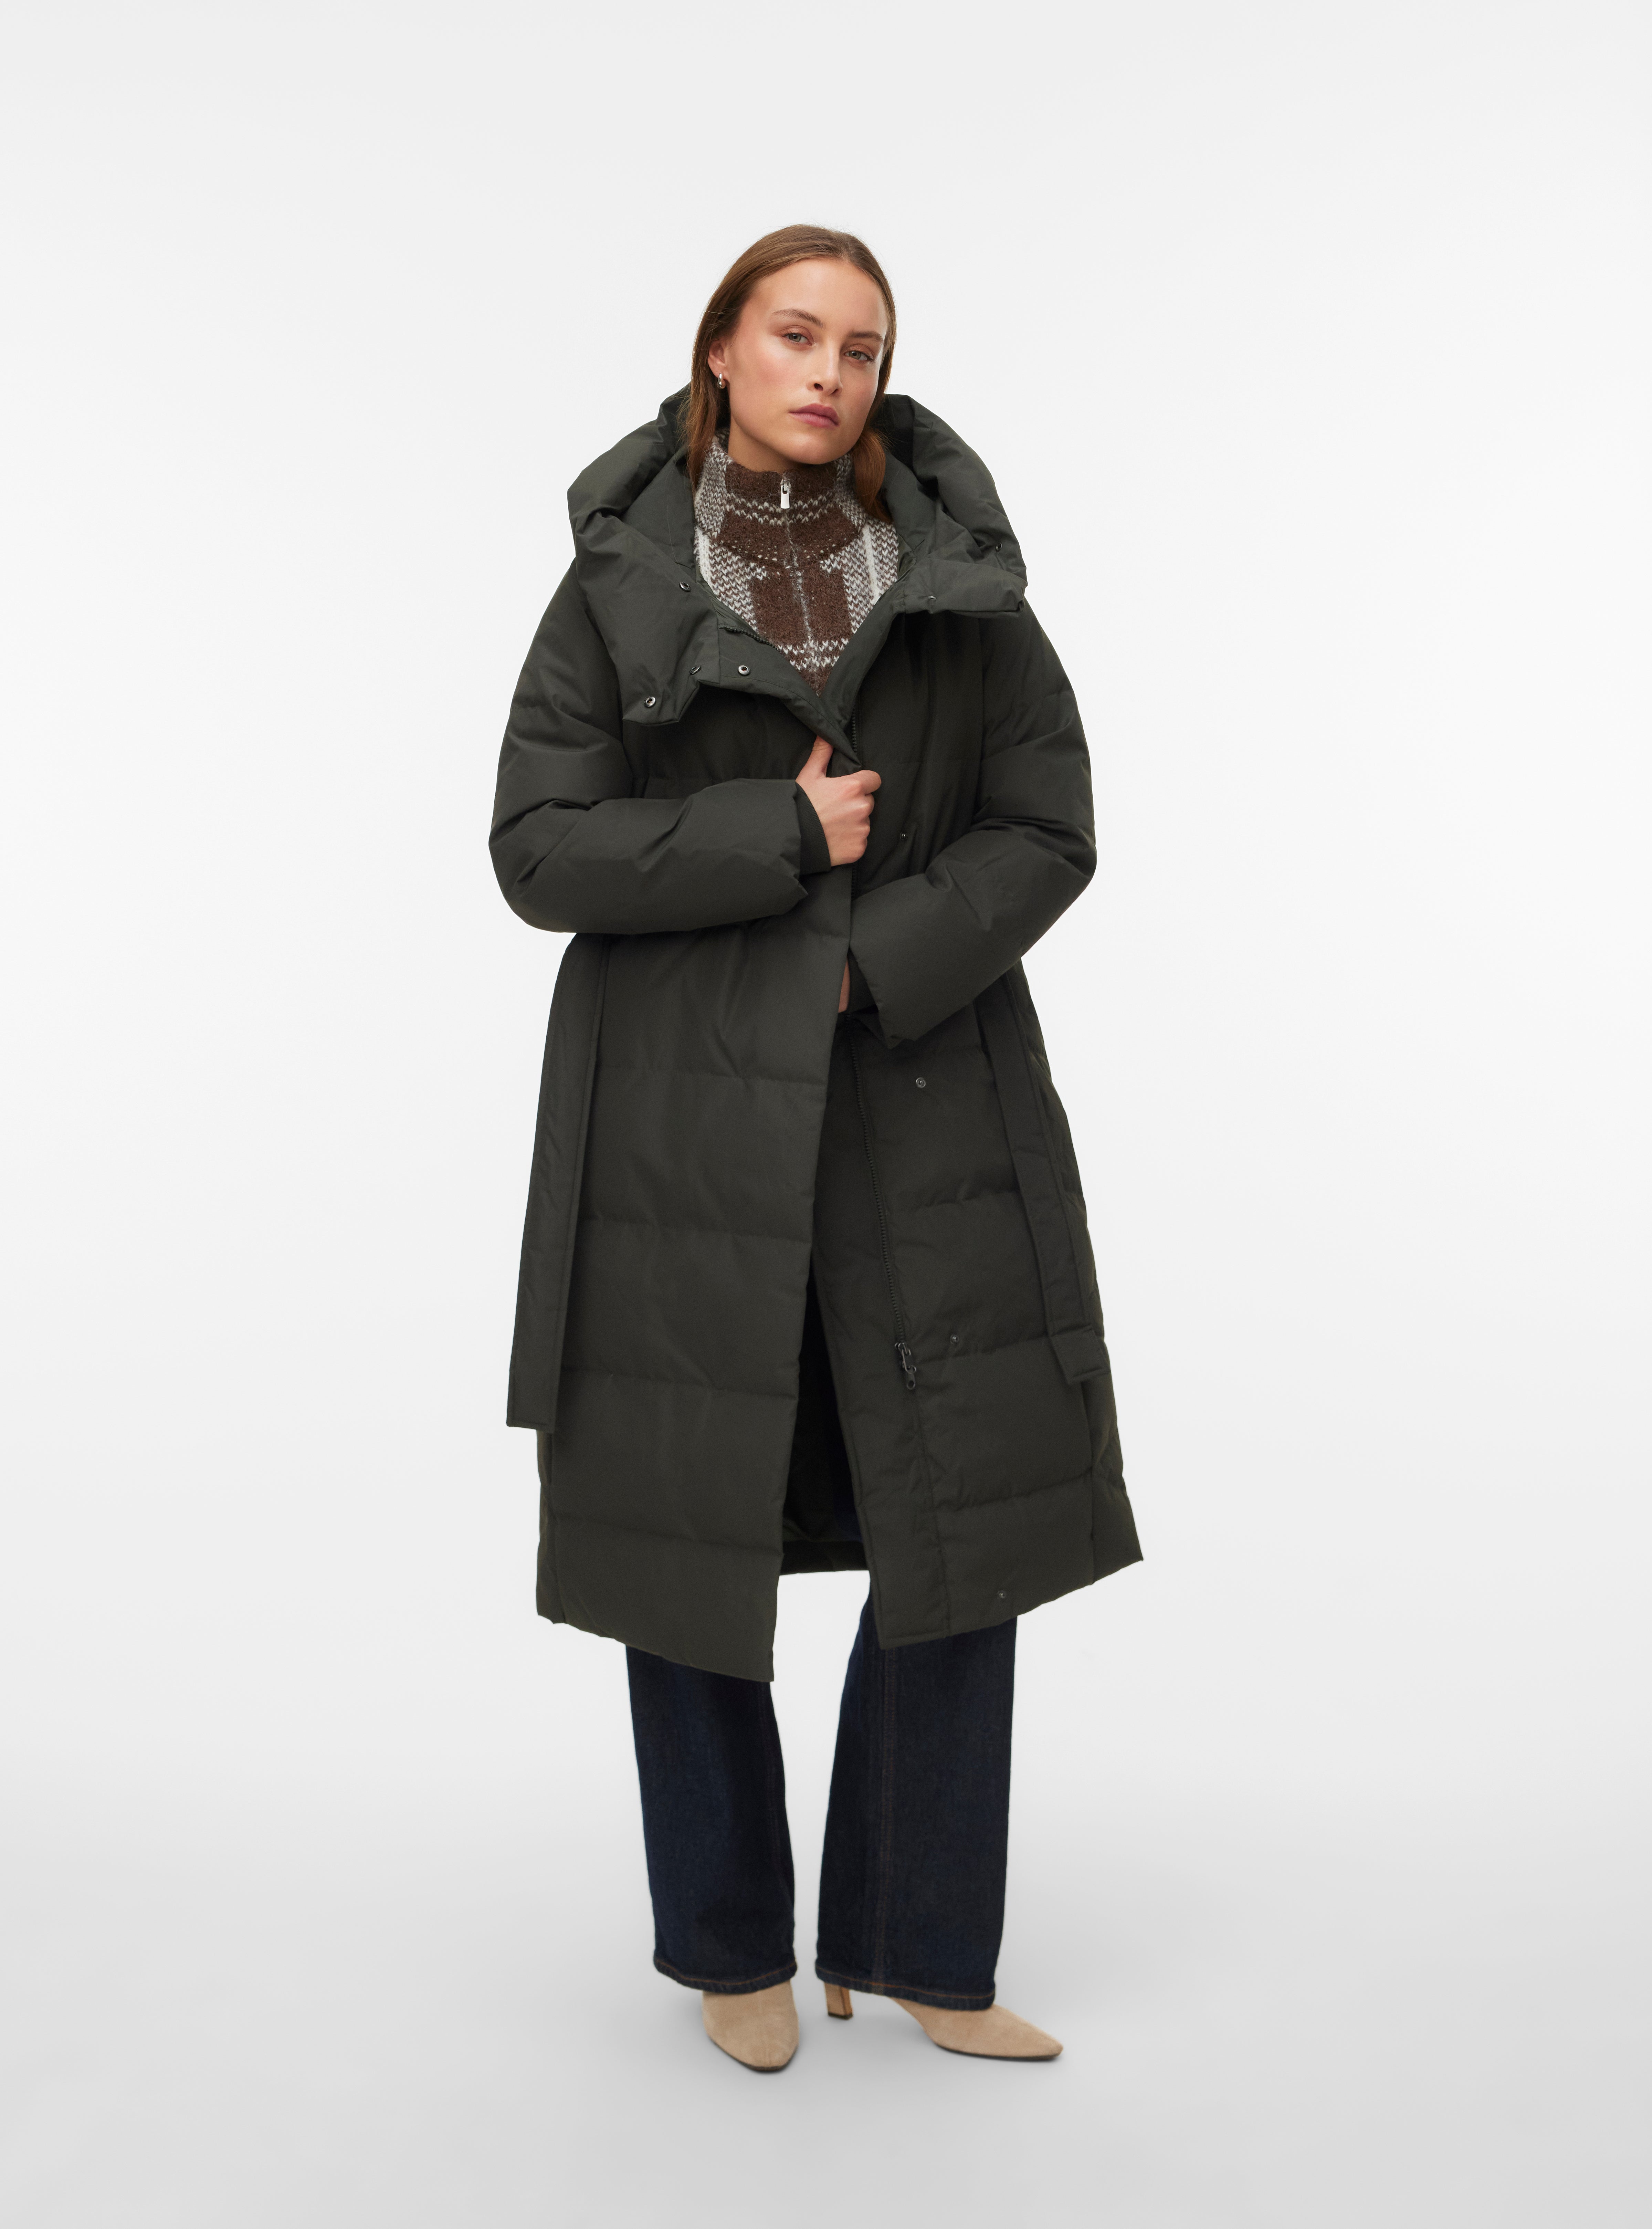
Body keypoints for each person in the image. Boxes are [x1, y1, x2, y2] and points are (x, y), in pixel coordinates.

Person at [490, 224, 1140, 2072]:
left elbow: (1048, 822)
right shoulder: (617, 585)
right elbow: (536, 847)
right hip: (682, 1124)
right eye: (796, 334)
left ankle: (921, 1949)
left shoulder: (958, 583)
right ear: (722, 347)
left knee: (959, 1521)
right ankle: (730, 1952)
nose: (830, 373)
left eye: (862, 347)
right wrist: (771, 835)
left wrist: (877, 960)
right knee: (684, 1531)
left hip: (926, 1101)